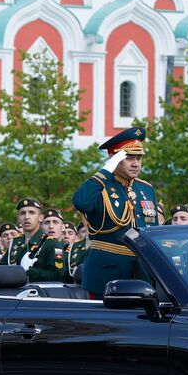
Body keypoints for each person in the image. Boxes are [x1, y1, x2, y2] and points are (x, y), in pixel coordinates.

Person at [72, 127, 158, 296]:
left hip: (141, 273)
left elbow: (151, 231)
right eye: (129, 158)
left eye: (139, 158)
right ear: (113, 159)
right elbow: (81, 202)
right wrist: (105, 172)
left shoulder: (146, 189)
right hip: (106, 273)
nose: (136, 163)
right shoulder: (99, 185)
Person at [7, 199, 67, 282]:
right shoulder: (14, 242)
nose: (27, 217)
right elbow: (2, 268)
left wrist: (28, 271)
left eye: (32, 213)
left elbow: (57, 275)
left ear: (40, 218)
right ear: (18, 218)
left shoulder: (50, 243)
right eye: (22, 213)